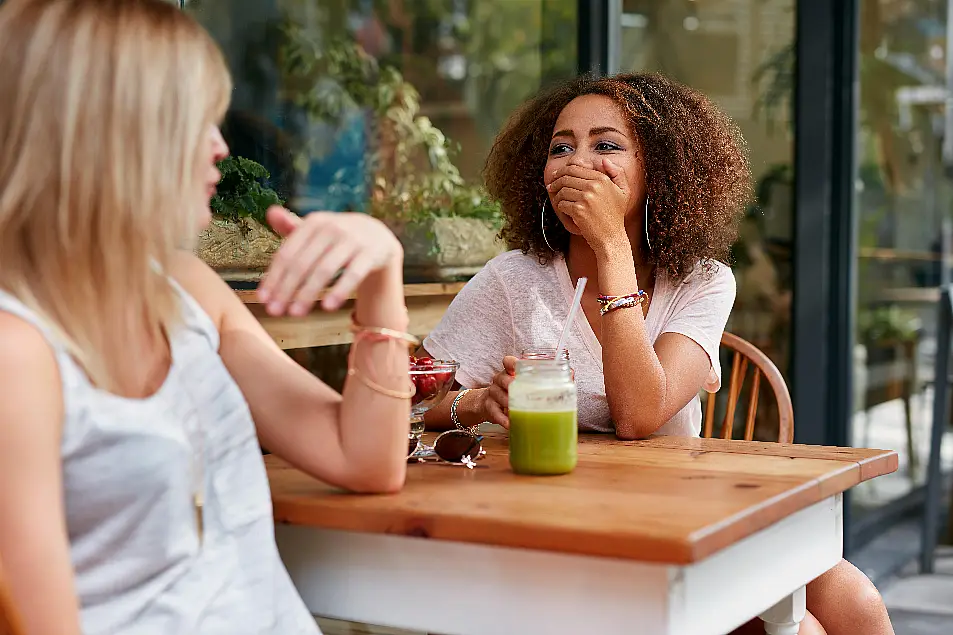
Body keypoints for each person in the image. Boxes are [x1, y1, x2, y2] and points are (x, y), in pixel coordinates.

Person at [421, 73, 893, 635]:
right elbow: (411, 400)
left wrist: (610, 247)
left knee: (854, 603)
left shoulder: (701, 282)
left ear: (659, 173)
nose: (578, 161)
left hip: (682, 511)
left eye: (607, 145)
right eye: (561, 147)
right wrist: (475, 403)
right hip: (553, 527)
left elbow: (642, 410)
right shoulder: (512, 282)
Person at [0, 1, 412, 634]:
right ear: (110, 134)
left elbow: (364, 460)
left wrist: (382, 275)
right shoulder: (17, 353)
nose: (222, 148)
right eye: (196, 123)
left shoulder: (184, 287)